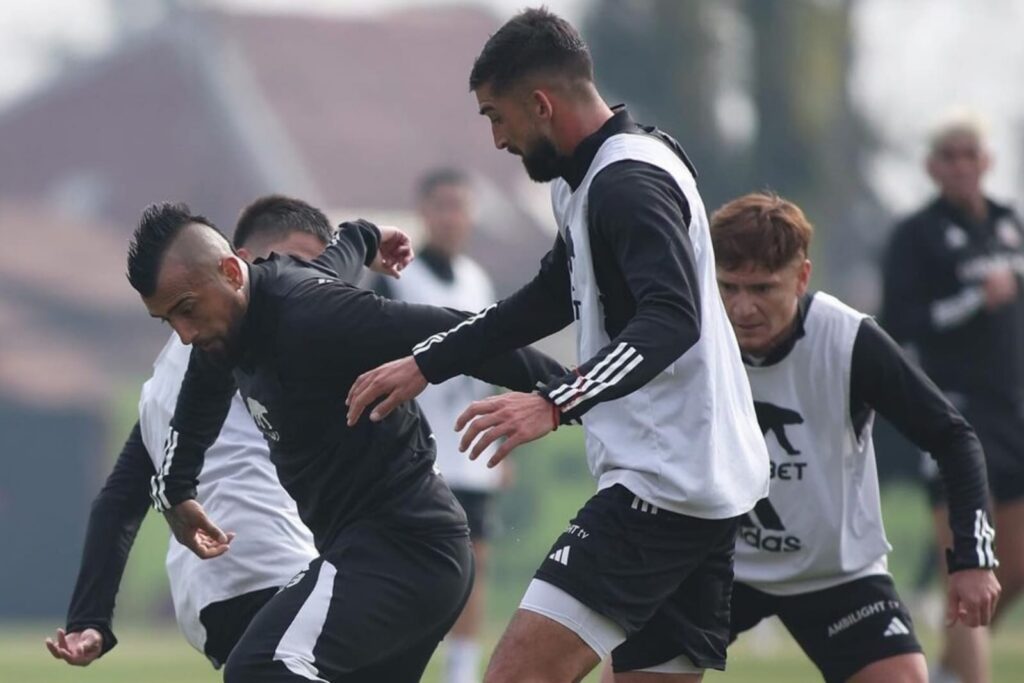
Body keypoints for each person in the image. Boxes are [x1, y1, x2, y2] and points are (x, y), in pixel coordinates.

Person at [346, 8, 770, 682]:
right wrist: (427, 362)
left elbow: (671, 319)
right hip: (702, 483)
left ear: (541, 104)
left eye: (497, 116)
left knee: (514, 676)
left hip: (661, 485)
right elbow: (548, 297)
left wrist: (554, 402)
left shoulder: (626, 183)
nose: (496, 139)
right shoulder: (598, 174)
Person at [126, 201, 564, 682]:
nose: (184, 334)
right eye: (167, 320)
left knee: (261, 669)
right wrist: (178, 492)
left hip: (404, 548)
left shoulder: (313, 314)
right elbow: (197, 404)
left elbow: (459, 331)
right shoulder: (225, 328)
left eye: (186, 310)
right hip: (390, 555)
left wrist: (569, 396)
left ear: (232, 271)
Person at [45, 195, 413, 668]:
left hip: (210, 601)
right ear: (235, 263)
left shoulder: (169, 376)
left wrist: (88, 619)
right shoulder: (243, 343)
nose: (307, 278)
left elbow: (119, 501)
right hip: (274, 572)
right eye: (296, 261)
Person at [711, 191, 1000, 683]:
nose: (742, 308)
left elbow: (953, 437)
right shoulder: (691, 335)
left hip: (835, 573)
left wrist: (973, 558)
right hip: (716, 567)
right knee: (628, 674)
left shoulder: (848, 339)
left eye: (762, 288)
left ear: (802, 277)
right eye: (729, 287)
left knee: (904, 678)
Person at [882, 113, 1024, 683]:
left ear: (988, 161)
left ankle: (947, 668)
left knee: (1010, 565)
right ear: (933, 167)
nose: (962, 165)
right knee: (970, 563)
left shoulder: (1009, 223)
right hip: (956, 411)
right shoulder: (916, 236)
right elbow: (899, 323)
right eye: (950, 155)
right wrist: (970, 301)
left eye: (971, 154)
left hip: (1013, 407)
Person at [373, 167, 504, 683]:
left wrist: (502, 440)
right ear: (423, 213)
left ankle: (461, 670)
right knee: (410, 568)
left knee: (474, 564)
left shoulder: (478, 279)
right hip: (416, 455)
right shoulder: (395, 281)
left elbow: (496, 359)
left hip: (471, 450)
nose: (452, 217)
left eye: (460, 206)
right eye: (441, 206)